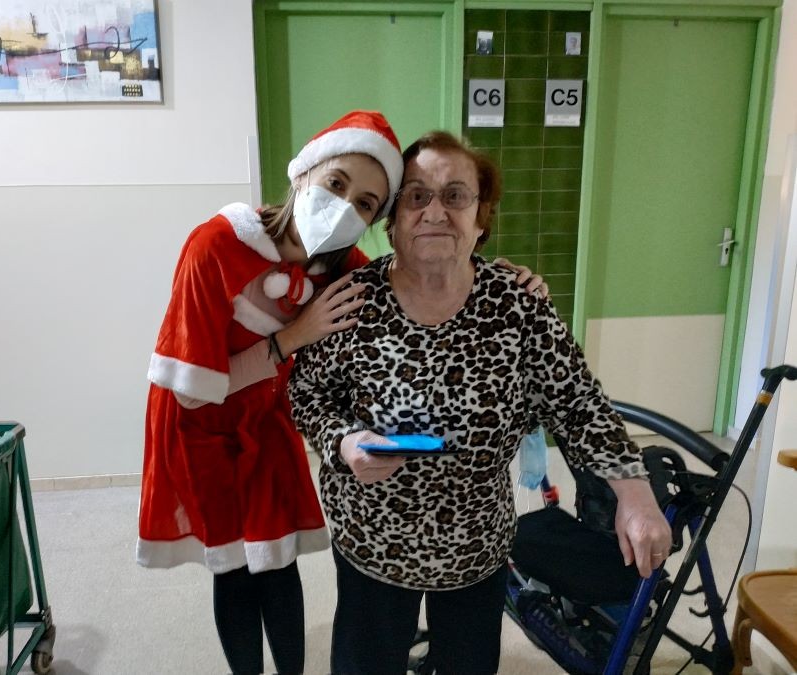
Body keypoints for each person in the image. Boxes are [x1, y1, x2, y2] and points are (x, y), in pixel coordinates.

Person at [137, 111, 545, 674]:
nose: (344, 207)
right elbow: (192, 391)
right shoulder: (214, 246)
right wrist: (292, 338)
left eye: (366, 204)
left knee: (278, 559)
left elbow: (411, 271)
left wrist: (495, 278)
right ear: (304, 172)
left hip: (267, 419)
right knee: (232, 566)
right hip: (200, 425)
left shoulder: (341, 265)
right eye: (335, 184)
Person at [288, 130, 673, 675]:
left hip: (475, 545)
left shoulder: (518, 304)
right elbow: (308, 394)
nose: (434, 212)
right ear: (393, 220)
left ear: (480, 216)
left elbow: (578, 401)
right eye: (416, 196)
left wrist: (634, 494)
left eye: (455, 195)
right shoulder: (353, 301)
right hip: (372, 542)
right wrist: (344, 442)